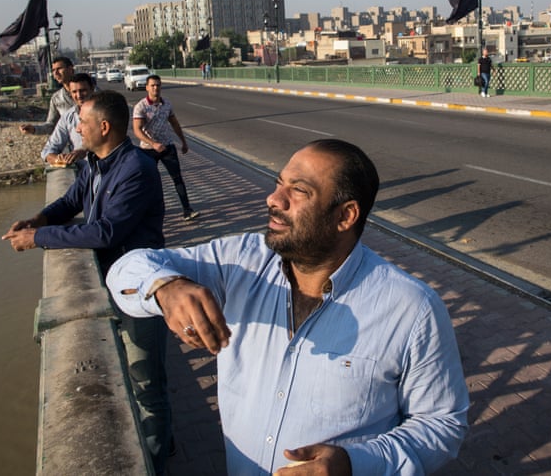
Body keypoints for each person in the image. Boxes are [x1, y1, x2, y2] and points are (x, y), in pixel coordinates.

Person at [107, 139, 469, 475]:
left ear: (345, 216)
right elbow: (125, 269)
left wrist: (354, 464)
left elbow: (441, 425)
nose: (274, 199)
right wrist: (166, 287)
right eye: (280, 183)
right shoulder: (241, 262)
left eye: (299, 191)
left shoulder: (411, 308)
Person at [2, 90, 172, 474]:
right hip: (112, 282)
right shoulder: (95, 163)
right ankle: (164, 443)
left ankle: (160, 459)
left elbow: (105, 232)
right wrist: (38, 221)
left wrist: (39, 240)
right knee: (136, 375)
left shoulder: (136, 169)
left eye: (82, 122)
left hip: (139, 289)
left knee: (149, 385)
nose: (76, 128)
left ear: (104, 127)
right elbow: (70, 203)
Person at [132, 74, 199, 221]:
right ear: (147, 88)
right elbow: (137, 130)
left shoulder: (166, 104)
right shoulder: (141, 107)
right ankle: (147, 213)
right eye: (153, 85)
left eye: (158, 85)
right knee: (149, 181)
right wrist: (152, 143)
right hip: (149, 150)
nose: (156, 88)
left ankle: (187, 210)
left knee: (177, 179)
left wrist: (183, 142)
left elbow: (174, 123)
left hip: (167, 147)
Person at [38, 72, 95, 202]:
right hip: (84, 177)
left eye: (83, 90)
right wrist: (58, 159)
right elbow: (49, 149)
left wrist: (83, 150)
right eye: (74, 92)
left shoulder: (106, 112)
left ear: (92, 88)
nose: (79, 95)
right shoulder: (68, 117)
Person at [20, 56, 75, 135]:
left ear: (70, 69)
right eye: (53, 70)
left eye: (59, 69)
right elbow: (51, 125)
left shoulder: (90, 92)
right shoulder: (57, 98)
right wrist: (34, 129)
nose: (56, 73)